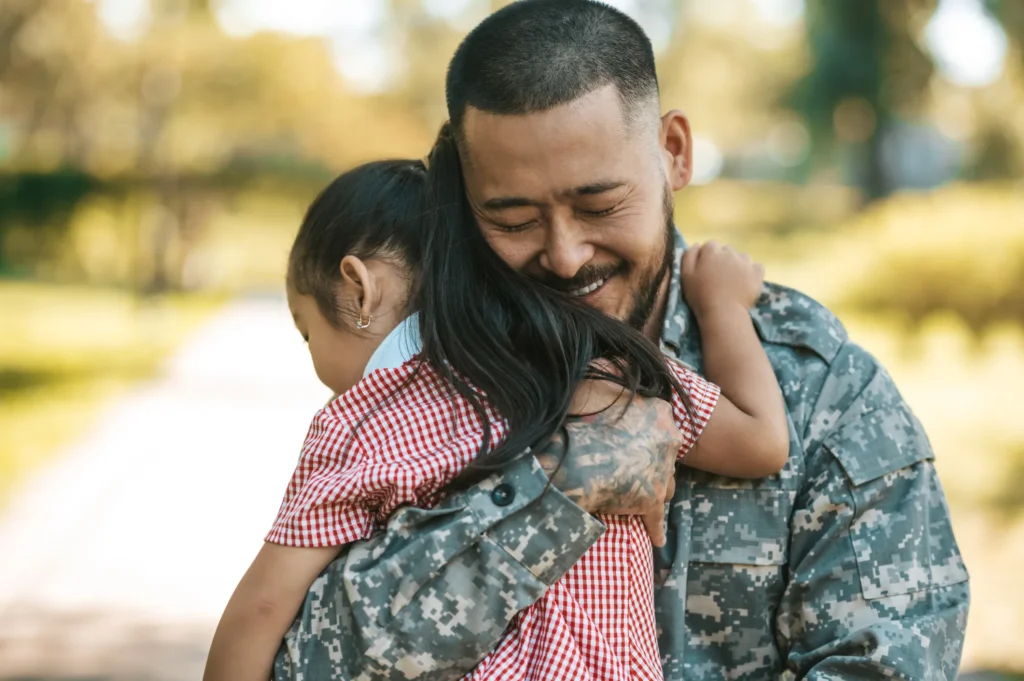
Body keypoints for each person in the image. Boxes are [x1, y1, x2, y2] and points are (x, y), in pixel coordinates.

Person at [276, 1, 970, 680]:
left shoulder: (821, 393)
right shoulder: (429, 385)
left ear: (673, 152)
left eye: (599, 205)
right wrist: (549, 496)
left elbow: (884, 661)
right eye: (514, 217)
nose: (567, 254)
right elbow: (301, 659)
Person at [203, 143, 791, 680]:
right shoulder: (588, 362)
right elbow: (762, 441)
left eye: (307, 333)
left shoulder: (356, 425)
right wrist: (722, 305)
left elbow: (263, 605)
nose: (316, 363)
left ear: (359, 289)